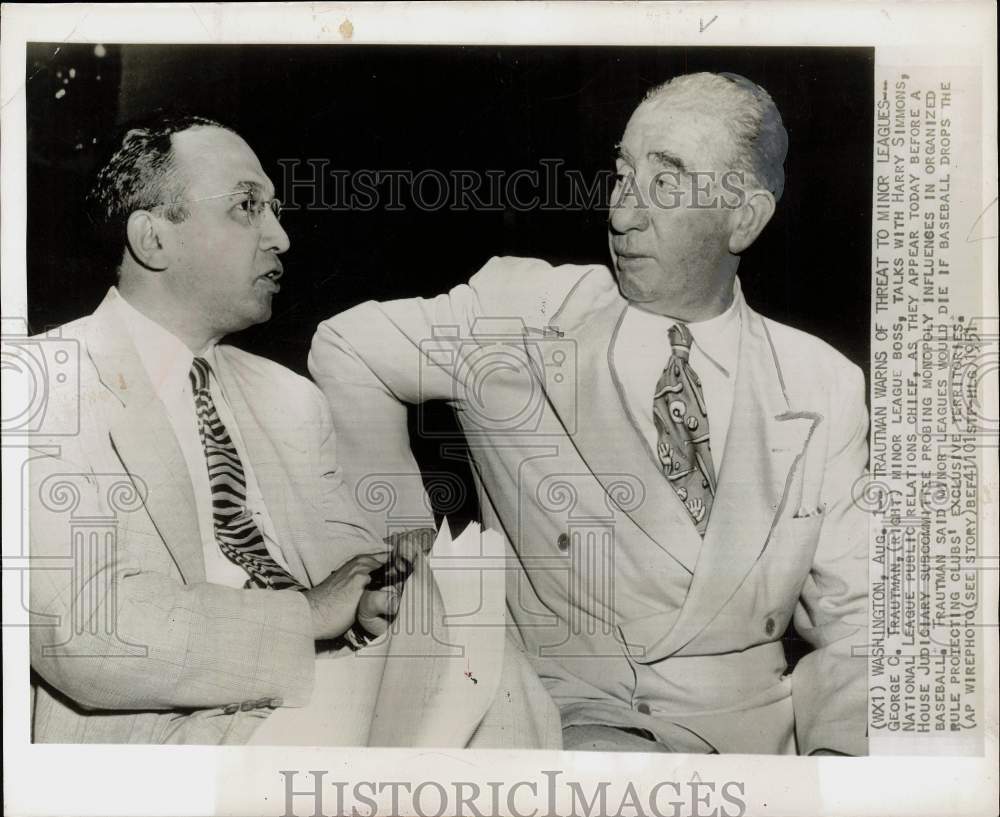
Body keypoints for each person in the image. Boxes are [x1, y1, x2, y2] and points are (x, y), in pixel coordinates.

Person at [309, 72, 870, 755]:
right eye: (622, 174)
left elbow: (861, 618)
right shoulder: (522, 314)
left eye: (665, 185)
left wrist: (842, 762)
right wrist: (408, 551)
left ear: (744, 217)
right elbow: (349, 348)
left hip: (753, 743)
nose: (622, 213)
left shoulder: (823, 383)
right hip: (561, 722)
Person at [28, 113, 402, 744]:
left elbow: (345, 571)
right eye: (246, 207)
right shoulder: (41, 383)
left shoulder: (291, 398)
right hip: (162, 738)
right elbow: (86, 628)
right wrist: (306, 615)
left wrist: (382, 590)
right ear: (153, 239)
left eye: (274, 210)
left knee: (499, 677)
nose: (281, 237)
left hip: (329, 699)